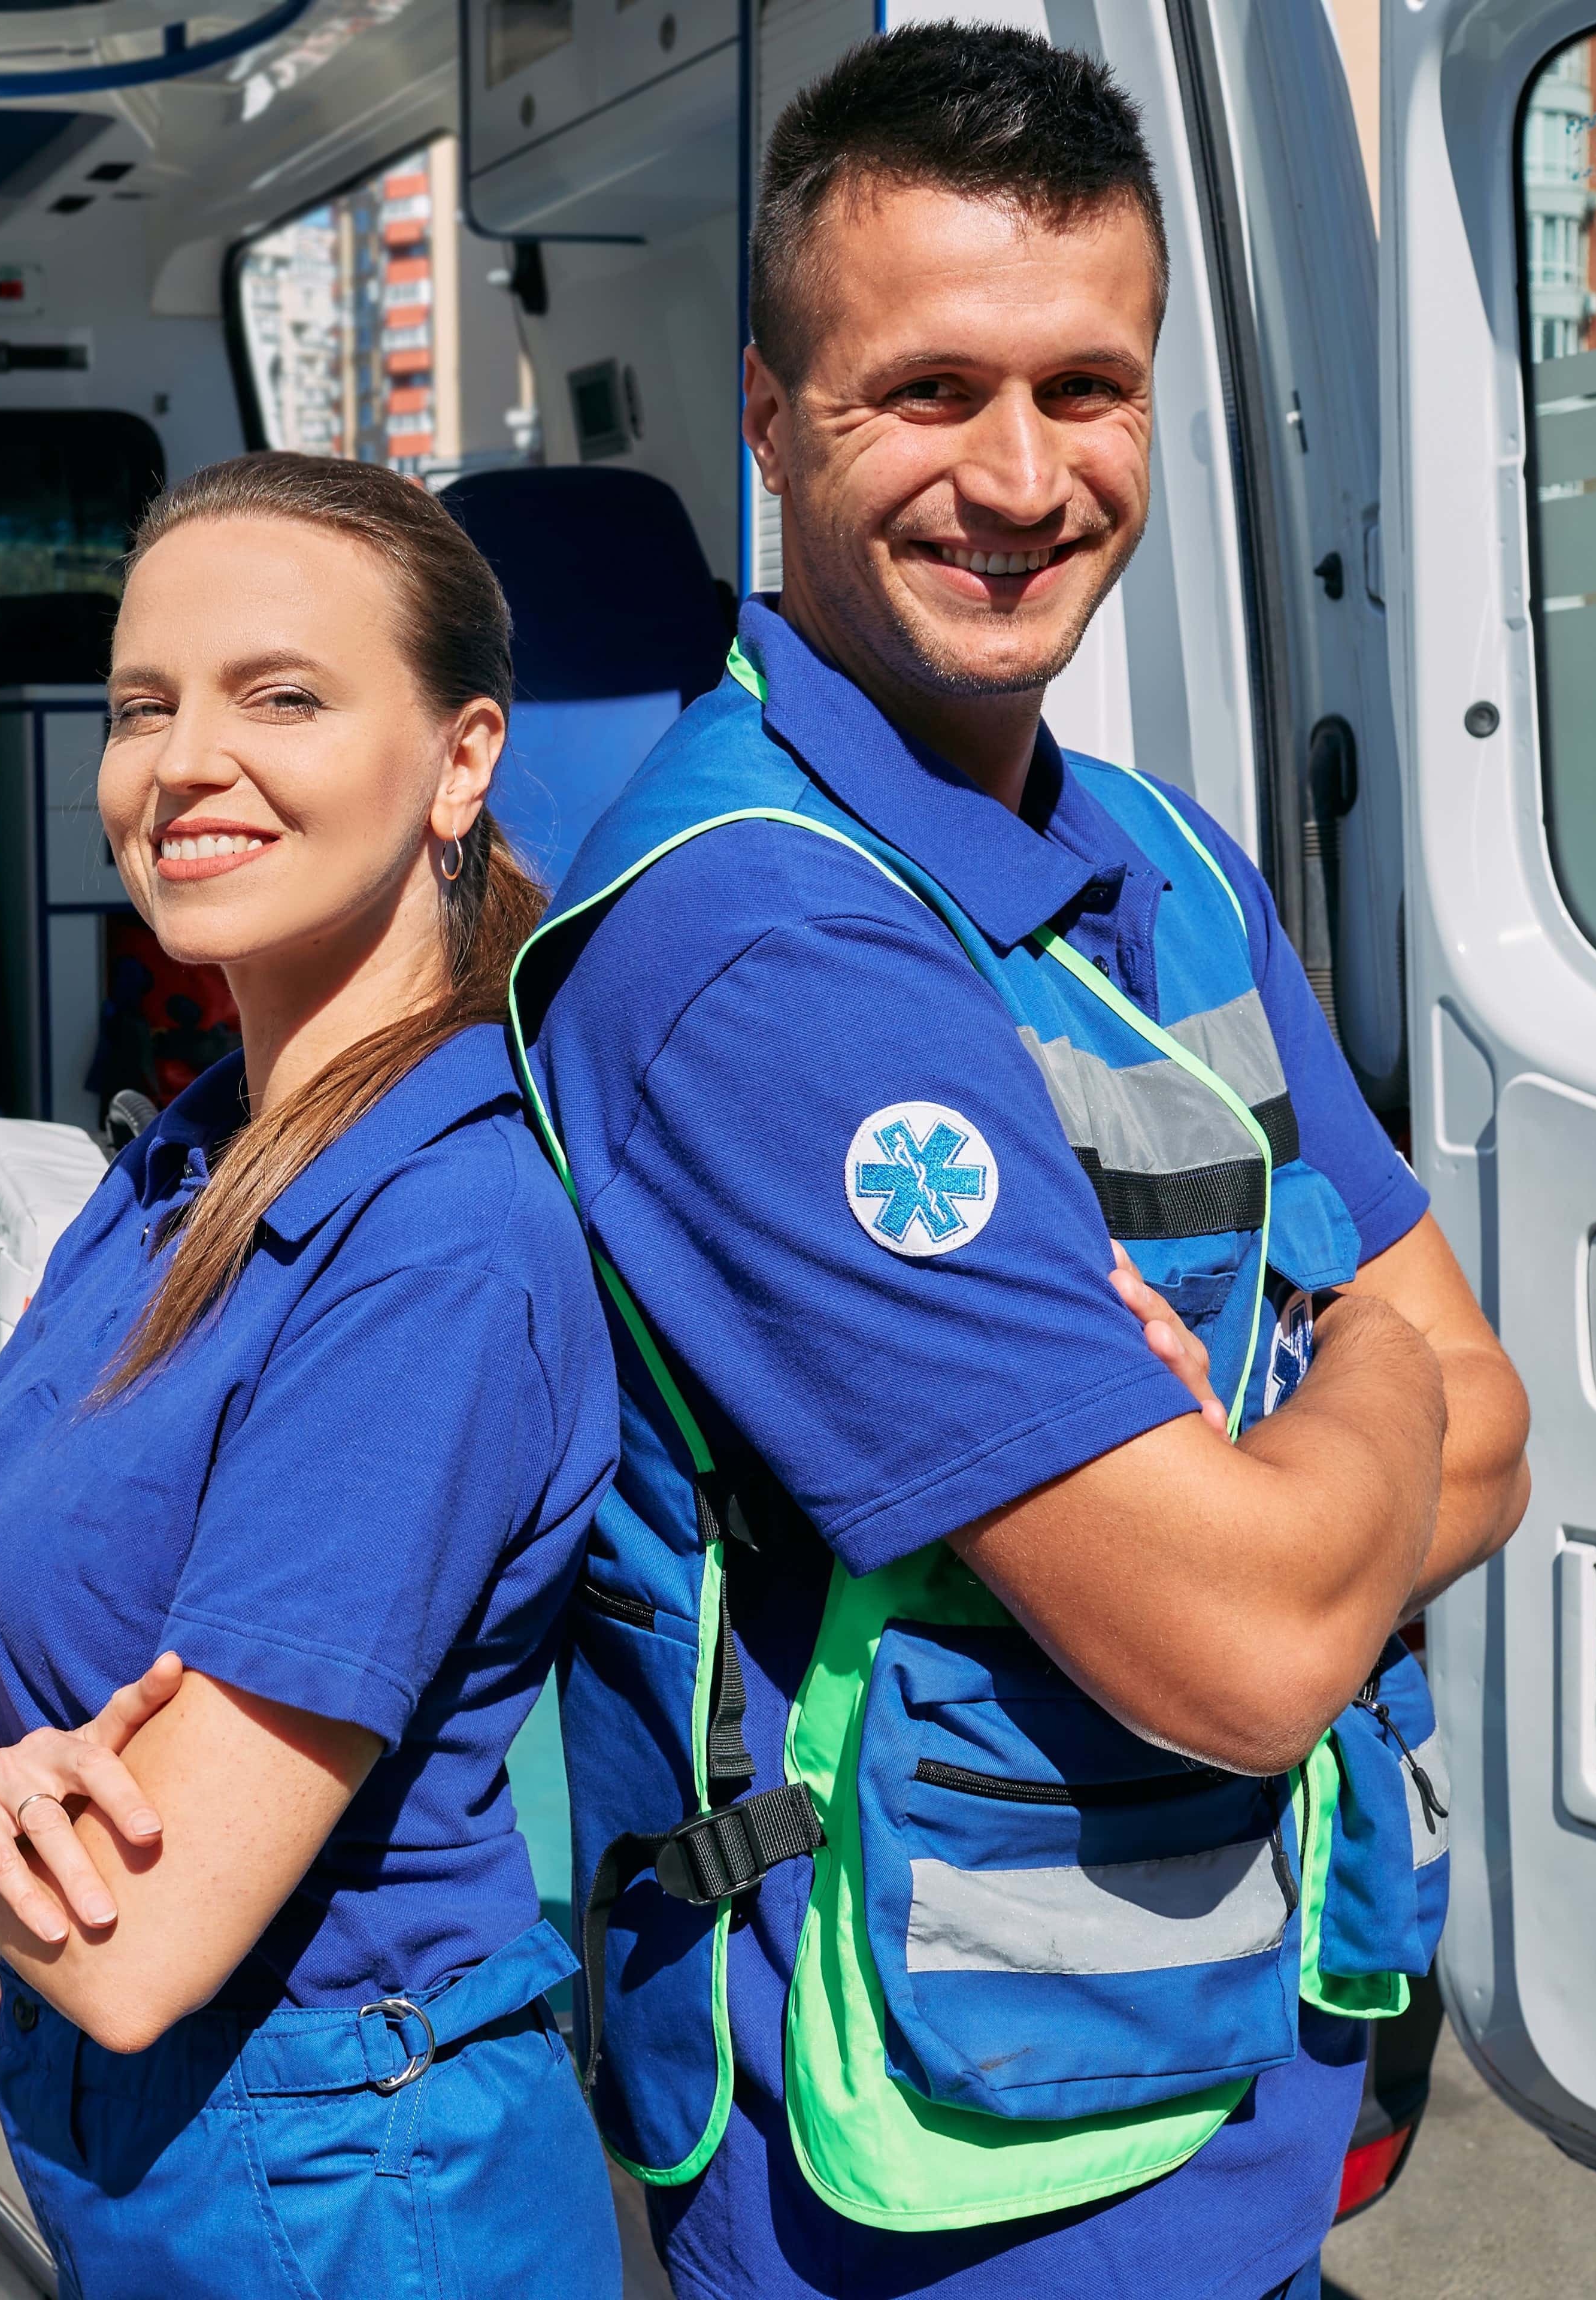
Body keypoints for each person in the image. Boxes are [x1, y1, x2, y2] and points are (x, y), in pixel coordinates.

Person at [514, 26, 1532, 2300]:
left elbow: (1507, 1429)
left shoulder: (1165, 853)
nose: (1021, 474)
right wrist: (1360, 1378)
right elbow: (1250, 1641)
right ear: (769, 417)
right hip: (951, 2193)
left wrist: (1282, 1461)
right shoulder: (757, 949)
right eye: (928, 391)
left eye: (1088, 388)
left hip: (1241, 2099)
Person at [0, 452, 626, 2300]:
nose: (182, 765)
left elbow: (133, 1943)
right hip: (154, 2164)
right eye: (140, 708)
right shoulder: (191, 1153)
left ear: (462, 760)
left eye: (283, 698)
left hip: (350, 2197)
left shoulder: (436, 1247)